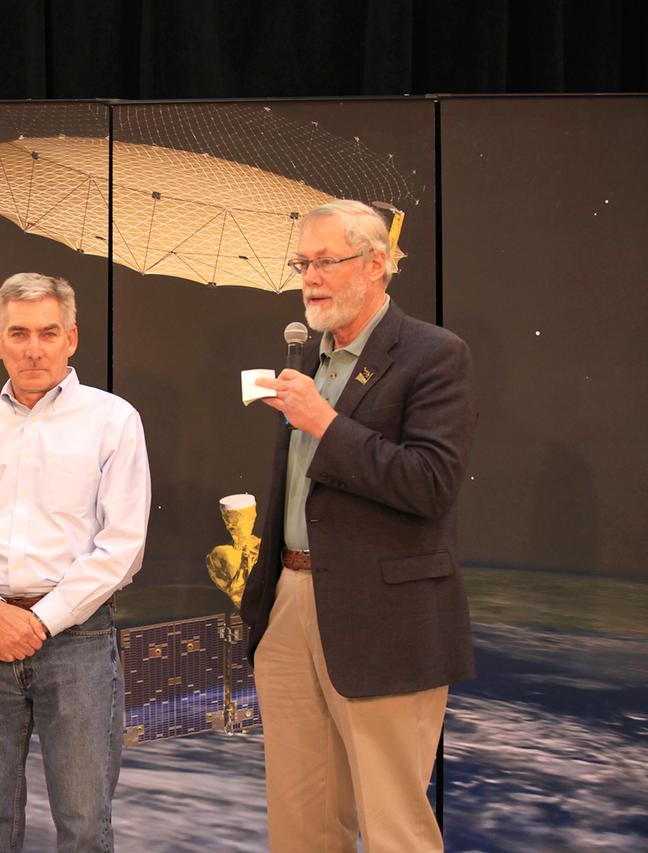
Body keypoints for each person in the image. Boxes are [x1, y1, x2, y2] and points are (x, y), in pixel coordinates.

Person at [241, 199, 477, 852]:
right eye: (302, 264)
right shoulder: (308, 359)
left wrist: (325, 423)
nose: (310, 278)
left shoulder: (434, 355)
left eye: (326, 262)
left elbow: (431, 484)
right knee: (301, 829)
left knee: (395, 828)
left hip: (385, 622)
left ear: (376, 264)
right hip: (291, 603)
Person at [0, 272, 151, 852]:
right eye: (18, 334)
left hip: (77, 641)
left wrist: (40, 621)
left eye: (48, 333)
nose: (33, 349)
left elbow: (122, 546)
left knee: (84, 826)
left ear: (71, 338)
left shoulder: (113, 420)